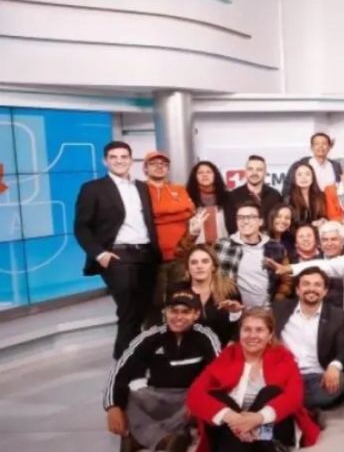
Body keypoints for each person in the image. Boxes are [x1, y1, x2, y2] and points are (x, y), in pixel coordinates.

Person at [156, 309, 320, 452]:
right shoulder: (229, 355)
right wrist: (232, 417)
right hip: (233, 428)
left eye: (259, 330)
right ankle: (267, 444)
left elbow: (294, 396)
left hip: (273, 427)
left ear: (269, 335)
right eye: (247, 329)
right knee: (217, 397)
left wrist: (258, 418)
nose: (252, 335)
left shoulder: (282, 356)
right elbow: (195, 393)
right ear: (240, 332)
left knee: (271, 392)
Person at [104, 292, 221, 452]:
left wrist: (199, 395)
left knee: (208, 401)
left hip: (190, 397)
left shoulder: (206, 336)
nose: (178, 317)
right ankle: (168, 438)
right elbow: (120, 369)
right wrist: (112, 407)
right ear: (166, 312)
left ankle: (141, 437)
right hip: (159, 396)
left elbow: (218, 371)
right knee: (128, 396)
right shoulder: (151, 336)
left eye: (185, 312)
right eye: (174, 311)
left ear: (196, 314)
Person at [74, 141, 161, 358]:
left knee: (142, 310)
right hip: (117, 255)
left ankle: (133, 356)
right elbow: (81, 227)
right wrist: (100, 254)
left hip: (146, 254)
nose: (119, 161)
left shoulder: (142, 187)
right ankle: (124, 363)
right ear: (105, 161)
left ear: (131, 160)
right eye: (113, 157)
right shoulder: (93, 188)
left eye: (124, 156)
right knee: (128, 310)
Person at [273, 267, 344, 418]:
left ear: (325, 291)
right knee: (267, 388)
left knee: (341, 381)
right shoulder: (279, 308)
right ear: (297, 290)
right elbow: (255, 324)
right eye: (306, 284)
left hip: (318, 377)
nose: (311, 289)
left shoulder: (337, 315)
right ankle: (303, 410)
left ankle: (290, 405)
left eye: (317, 285)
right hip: (286, 375)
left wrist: (334, 367)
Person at [142, 150, 195, 318]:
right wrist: (176, 212)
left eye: (164, 164)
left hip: (180, 255)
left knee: (180, 299)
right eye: (154, 163)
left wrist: (159, 215)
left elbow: (190, 213)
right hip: (153, 257)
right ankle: (153, 332)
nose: (159, 167)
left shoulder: (179, 189)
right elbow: (147, 217)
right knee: (154, 303)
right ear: (145, 168)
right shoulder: (140, 190)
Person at [214, 201, 291, 308]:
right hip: (236, 311)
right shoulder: (223, 246)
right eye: (240, 217)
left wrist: (278, 299)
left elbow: (287, 280)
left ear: (260, 221)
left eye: (250, 217)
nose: (245, 221)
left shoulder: (276, 248)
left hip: (268, 312)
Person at [169, 244, 244, 345]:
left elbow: (239, 327)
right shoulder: (177, 290)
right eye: (194, 262)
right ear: (188, 268)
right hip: (187, 349)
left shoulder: (230, 290)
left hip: (223, 349)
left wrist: (235, 313)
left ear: (213, 266)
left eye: (205, 261)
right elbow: (169, 326)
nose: (199, 266)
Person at [224, 155, 284, 235]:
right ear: (245, 172)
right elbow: (231, 227)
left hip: (270, 241)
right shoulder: (233, 196)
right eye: (250, 169)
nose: (254, 173)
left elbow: (279, 222)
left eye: (259, 170)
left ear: (265, 173)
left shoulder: (275, 195)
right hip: (242, 241)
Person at [282, 132, 342, 197]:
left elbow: (341, 188)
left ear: (329, 147)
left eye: (324, 143)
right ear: (311, 147)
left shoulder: (336, 166)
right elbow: (287, 188)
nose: (320, 146)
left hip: (330, 202)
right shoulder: (300, 165)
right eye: (317, 144)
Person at [186, 160, 230, 246]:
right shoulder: (187, 199)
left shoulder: (227, 198)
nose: (204, 175)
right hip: (198, 249)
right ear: (195, 177)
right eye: (200, 173)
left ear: (215, 175)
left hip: (225, 247)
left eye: (208, 172)